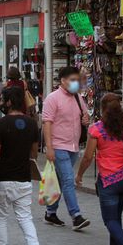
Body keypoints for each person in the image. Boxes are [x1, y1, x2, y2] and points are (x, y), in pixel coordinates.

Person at [75, 93, 123, 245]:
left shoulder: (97, 129)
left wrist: (79, 175)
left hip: (108, 181)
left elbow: (88, 157)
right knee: (116, 218)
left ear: (102, 108)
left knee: (110, 220)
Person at [0, 86, 42, 245]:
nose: (1, 103)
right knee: (25, 217)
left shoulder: (1, 124)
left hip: (3, 178)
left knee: (0, 217)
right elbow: (34, 153)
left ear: (10, 101)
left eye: (3, 99)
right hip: (23, 179)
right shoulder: (31, 124)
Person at [41, 66, 91, 231]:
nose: (76, 83)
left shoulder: (78, 98)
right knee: (69, 180)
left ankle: (50, 212)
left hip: (74, 146)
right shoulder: (52, 98)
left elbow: (85, 116)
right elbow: (47, 123)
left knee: (62, 182)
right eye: (73, 80)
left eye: (77, 80)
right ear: (63, 81)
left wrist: (85, 119)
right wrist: (49, 148)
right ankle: (76, 216)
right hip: (58, 145)